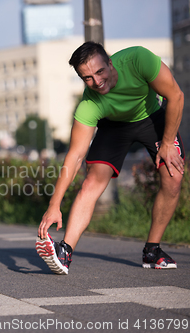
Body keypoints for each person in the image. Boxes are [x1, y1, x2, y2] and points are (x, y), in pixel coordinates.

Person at [36, 42, 185, 274]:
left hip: (151, 117)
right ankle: (64, 251)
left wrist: (167, 143)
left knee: (173, 176)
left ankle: (152, 250)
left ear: (110, 62)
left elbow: (175, 95)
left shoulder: (138, 59)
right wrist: (54, 205)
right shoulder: (89, 104)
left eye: (100, 71)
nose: (96, 82)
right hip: (113, 127)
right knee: (92, 182)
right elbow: (74, 156)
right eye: (87, 78)